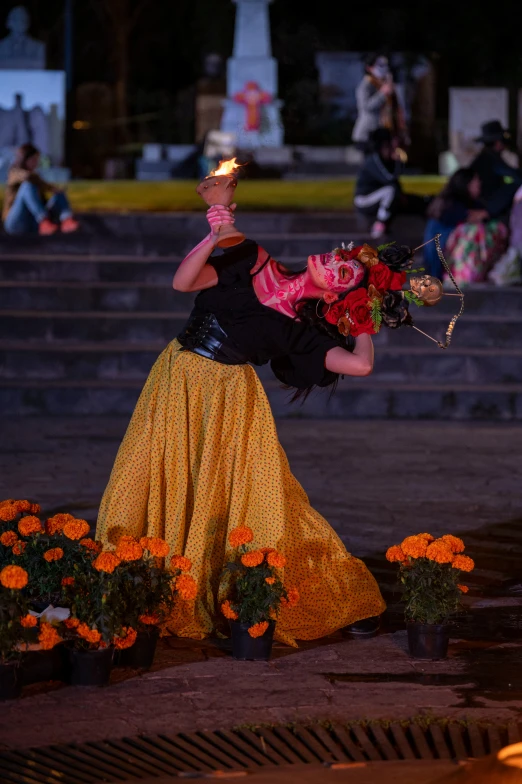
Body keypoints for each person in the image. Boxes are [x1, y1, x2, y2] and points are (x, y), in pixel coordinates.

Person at [96, 206, 388, 647]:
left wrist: (365, 321)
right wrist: (214, 235)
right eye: (339, 253)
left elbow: (361, 365)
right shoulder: (253, 259)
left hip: (230, 396)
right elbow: (183, 282)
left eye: (344, 270)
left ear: (334, 297)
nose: (334, 258)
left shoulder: (300, 332)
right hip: (176, 377)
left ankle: (311, 593)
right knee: (151, 473)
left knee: (250, 495)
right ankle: (134, 583)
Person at [354, 127, 428, 239]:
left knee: (412, 200)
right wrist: (397, 162)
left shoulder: (385, 160)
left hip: (380, 196)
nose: (392, 149)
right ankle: (380, 223)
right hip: (364, 199)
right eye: (389, 146)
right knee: (390, 191)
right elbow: (389, 178)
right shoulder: (373, 160)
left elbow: (396, 181)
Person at [423, 168, 490, 278]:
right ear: (466, 183)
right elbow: (473, 217)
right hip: (438, 259)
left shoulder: (459, 202)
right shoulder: (450, 203)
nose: (479, 183)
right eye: (476, 180)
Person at [2, 143, 79, 236]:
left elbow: (40, 183)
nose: (36, 163)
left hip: (33, 222)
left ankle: (67, 220)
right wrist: (47, 186)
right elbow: (27, 177)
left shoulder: (36, 177)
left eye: (37, 160)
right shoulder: (14, 172)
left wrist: (54, 189)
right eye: (34, 160)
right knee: (27, 186)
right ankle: (44, 220)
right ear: (25, 159)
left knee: (59, 194)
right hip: (16, 222)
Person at [352, 53, 408, 153]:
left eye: (386, 65)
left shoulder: (387, 84)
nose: (384, 68)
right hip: (367, 135)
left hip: (383, 134)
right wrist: (382, 94)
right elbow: (366, 107)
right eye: (380, 65)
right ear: (369, 68)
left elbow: (397, 109)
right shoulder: (365, 86)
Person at [470, 120, 522, 224]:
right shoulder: (490, 159)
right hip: (486, 204)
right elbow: (515, 176)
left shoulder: (486, 156)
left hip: (484, 201)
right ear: (498, 143)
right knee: (514, 186)